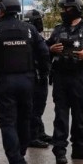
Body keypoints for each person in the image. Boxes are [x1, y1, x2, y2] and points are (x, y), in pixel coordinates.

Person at [0, 0, 49, 164]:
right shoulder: (30, 29)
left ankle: (16, 160)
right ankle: (21, 151)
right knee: (24, 118)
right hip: (27, 81)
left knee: (8, 121)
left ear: (2, 10)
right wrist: (42, 75)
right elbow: (44, 53)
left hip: (5, 82)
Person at [45, 0, 83, 164]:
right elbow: (44, 48)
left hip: (81, 77)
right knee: (61, 115)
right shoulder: (58, 30)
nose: (64, 12)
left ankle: (79, 148)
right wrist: (51, 49)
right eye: (63, 9)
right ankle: (60, 151)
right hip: (61, 78)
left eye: (67, 9)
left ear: (77, 9)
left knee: (79, 115)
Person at [24, 9, 52, 148]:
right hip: (36, 76)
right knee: (36, 107)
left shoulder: (32, 34)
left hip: (39, 75)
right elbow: (42, 54)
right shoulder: (32, 36)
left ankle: (39, 132)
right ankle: (32, 136)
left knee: (39, 107)